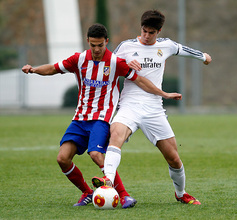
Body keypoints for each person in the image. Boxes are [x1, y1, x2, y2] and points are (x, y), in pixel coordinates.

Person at [22, 23, 181, 208]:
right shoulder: (79, 59)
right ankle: (87, 193)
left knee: (96, 153)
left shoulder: (115, 62)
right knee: (62, 159)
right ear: (87, 41)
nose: (97, 49)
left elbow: (140, 80)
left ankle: (124, 195)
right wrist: (34, 69)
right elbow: (53, 68)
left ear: (106, 41)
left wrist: (164, 94)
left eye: (100, 45)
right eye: (93, 45)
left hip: (102, 118)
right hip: (80, 118)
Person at [92, 10, 212, 205]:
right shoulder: (126, 46)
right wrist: (124, 63)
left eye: (151, 32)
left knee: (173, 158)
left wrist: (203, 57)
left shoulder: (166, 45)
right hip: (129, 105)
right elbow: (108, 65)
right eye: (144, 31)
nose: (147, 36)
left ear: (159, 31)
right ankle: (109, 182)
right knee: (116, 135)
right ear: (141, 28)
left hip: (154, 109)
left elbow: (185, 50)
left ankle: (181, 193)